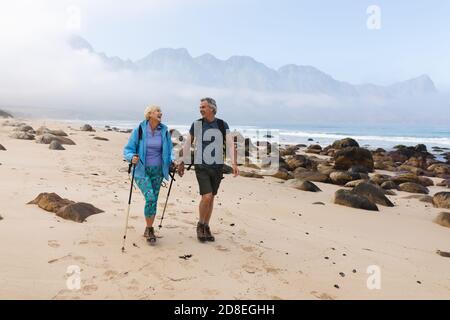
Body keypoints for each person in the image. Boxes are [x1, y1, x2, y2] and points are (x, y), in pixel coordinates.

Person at [178, 97, 239, 242]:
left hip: (217, 167)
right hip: (202, 166)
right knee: (206, 196)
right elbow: (188, 144)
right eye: (200, 107)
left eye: (204, 107)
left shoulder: (222, 124)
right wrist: (181, 161)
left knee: (211, 198)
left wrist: (234, 163)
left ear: (212, 108)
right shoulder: (197, 124)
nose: (201, 109)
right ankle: (200, 224)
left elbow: (230, 144)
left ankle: (206, 225)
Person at [123, 105, 175, 243]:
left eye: (161, 111)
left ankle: (149, 228)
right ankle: (149, 228)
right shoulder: (139, 130)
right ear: (149, 114)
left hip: (158, 170)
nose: (160, 113)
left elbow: (170, 151)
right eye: (157, 111)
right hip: (141, 170)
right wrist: (131, 157)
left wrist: (173, 161)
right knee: (150, 197)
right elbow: (128, 149)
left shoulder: (164, 131)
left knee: (153, 200)